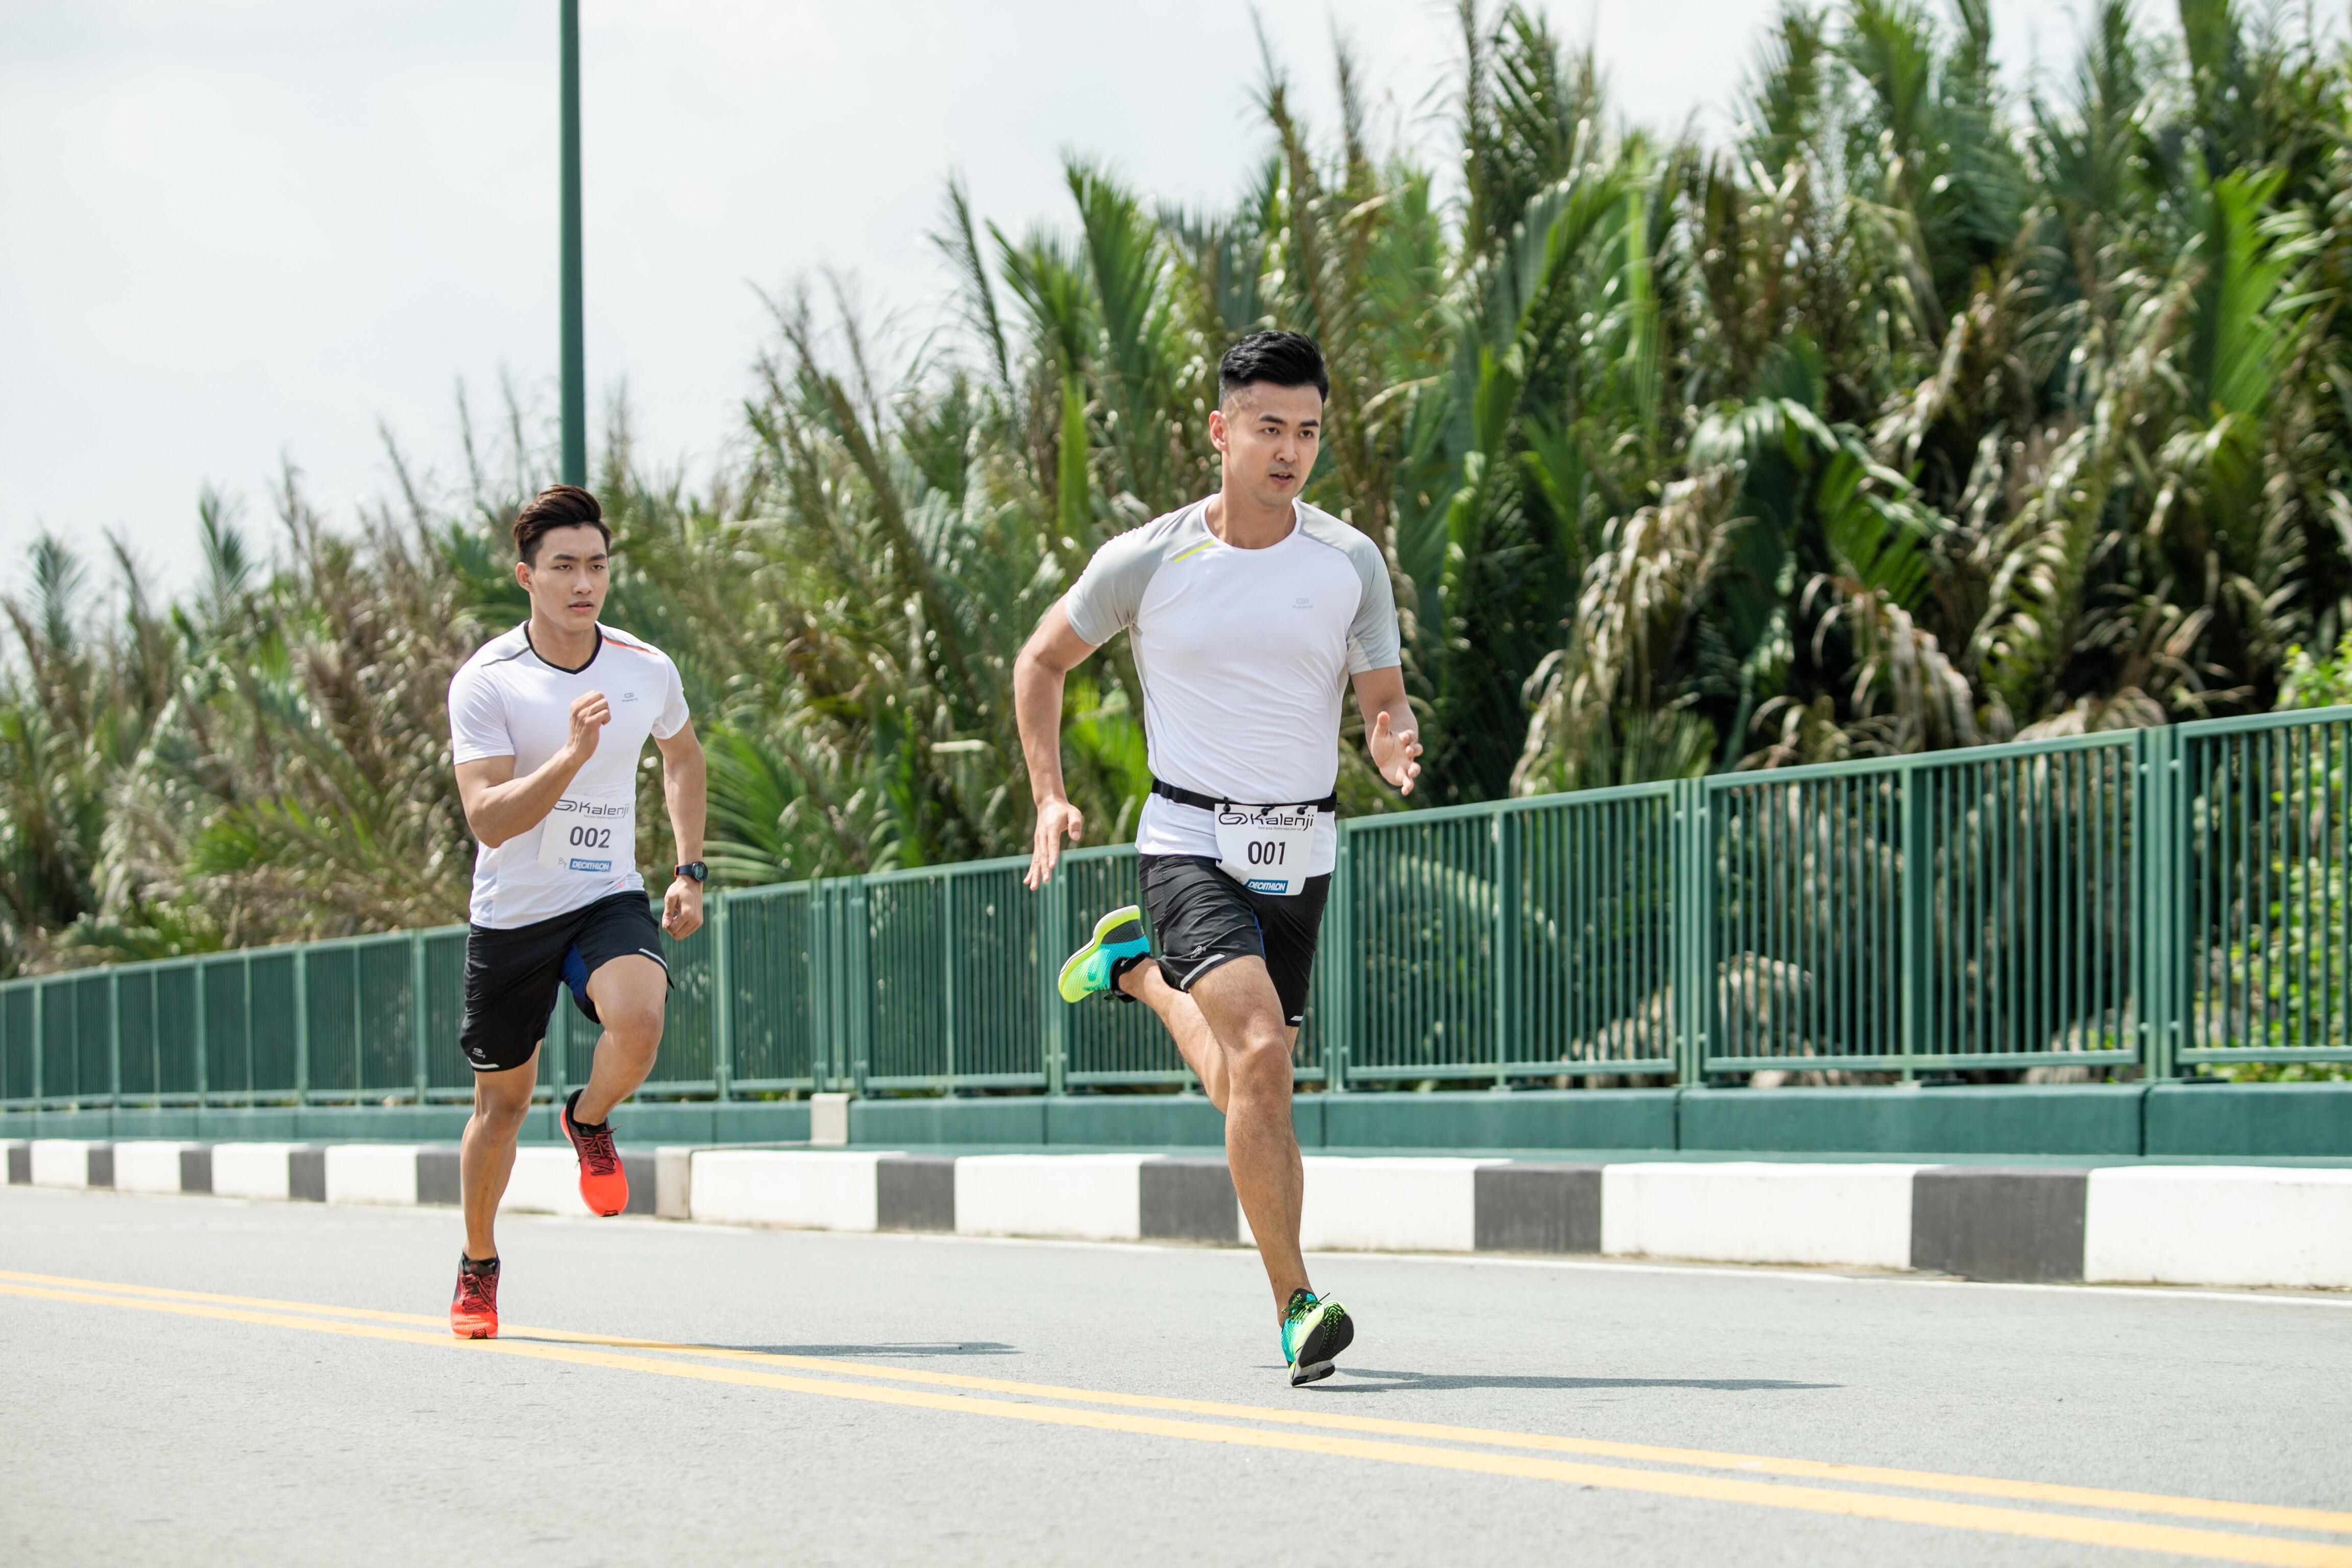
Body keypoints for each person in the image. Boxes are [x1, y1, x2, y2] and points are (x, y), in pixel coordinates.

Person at [1014, 331, 1423, 1386]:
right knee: (1264, 1055)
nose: (1290, 452)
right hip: (1189, 835)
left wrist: (1388, 739)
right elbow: (1042, 662)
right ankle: (1295, 1301)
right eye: (1269, 429)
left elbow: (1382, 697)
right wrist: (1050, 794)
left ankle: (1140, 972)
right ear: (1221, 431)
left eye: (1308, 433)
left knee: (1254, 1072)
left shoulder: (1348, 561)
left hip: (1303, 840)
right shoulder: (1148, 560)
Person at [442, 484, 709, 1338]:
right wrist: (570, 757)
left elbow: (682, 757)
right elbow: (488, 818)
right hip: (513, 913)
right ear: (527, 577)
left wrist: (688, 869)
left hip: (605, 895)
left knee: (639, 1015)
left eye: (596, 564)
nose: (583, 582)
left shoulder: (644, 666)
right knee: (500, 1107)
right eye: (563, 566)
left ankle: (589, 1118)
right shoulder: (489, 682)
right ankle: (479, 1266)